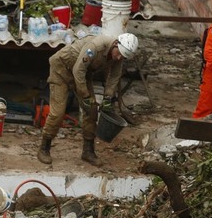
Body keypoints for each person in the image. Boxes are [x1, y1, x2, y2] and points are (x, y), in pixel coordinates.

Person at [37, 33, 138, 167]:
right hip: (62, 69)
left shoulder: (119, 56)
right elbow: (78, 69)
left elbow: (114, 76)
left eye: (123, 57)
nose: (119, 58)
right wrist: (84, 95)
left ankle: (88, 151)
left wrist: (107, 97)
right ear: (115, 44)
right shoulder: (96, 46)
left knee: (92, 110)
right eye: (119, 54)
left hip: (83, 75)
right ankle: (44, 147)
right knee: (58, 112)